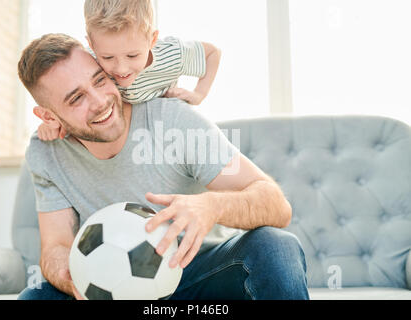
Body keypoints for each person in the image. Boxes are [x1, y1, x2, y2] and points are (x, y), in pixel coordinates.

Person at [16, 33, 309, 300]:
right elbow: (56, 246)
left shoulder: (174, 121)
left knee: (275, 246)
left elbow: (276, 205)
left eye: (100, 80)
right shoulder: (46, 152)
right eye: (76, 98)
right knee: (35, 298)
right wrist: (78, 283)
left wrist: (212, 207)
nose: (99, 101)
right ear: (48, 116)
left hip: (198, 274)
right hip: (110, 284)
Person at [37, 0, 221, 141]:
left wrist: (199, 94)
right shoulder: (90, 60)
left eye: (132, 56)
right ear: (92, 44)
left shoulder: (172, 54)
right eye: (108, 57)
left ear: (152, 40)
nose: (121, 68)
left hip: (162, 126)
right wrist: (53, 122)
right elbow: (69, 93)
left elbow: (212, 53)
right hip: (123, 131)